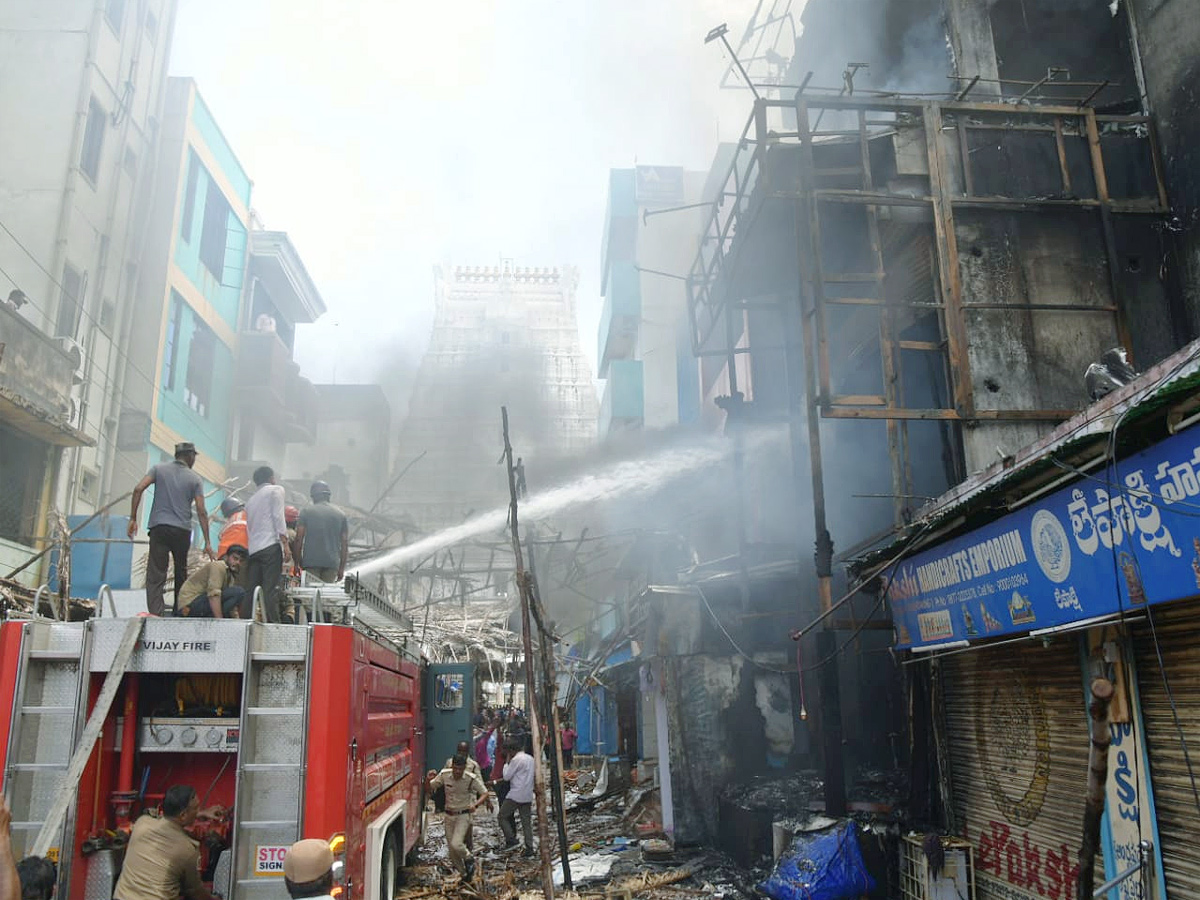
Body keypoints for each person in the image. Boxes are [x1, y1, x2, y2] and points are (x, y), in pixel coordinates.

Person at [128, 443, 212, 616]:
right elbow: (202, 511)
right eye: (194, 456)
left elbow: (138, 489)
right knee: (181, 572)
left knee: (156, 573)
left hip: (159, 528)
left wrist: (133, 518)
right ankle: (179, 613)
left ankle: (156, 613)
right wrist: (208, 542)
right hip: (182, 531)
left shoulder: (158, 469)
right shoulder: (195, 479)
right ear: (189, 456)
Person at [113, 785, 219, 900]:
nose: (198, 810)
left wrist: (199, 814)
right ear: (183, 815)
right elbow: (195, 892)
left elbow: (164, 817)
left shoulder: (142, 823)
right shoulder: (188, 850)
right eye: (196, 808)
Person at [425, 754, 490, 880]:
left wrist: (475, 805)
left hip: (463, 815)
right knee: (452, 851)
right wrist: (428, 780)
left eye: (460, 769)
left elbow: (485, 793)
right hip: (449, 815)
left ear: (465, 767)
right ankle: (464, 874)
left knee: (457, 843)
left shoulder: (470, 778)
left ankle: (469, 858)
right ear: (452, 766)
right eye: (455, 768)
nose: (458, 772)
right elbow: (430, 788)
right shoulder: (444, 775)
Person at [244, 466, 291, 623]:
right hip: (270, 546)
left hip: (254, 550)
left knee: (251, 590)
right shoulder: (275, 490)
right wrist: (285, 544)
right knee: (270, 589)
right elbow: (278, 517)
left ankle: (245, 622)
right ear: (271, 478)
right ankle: (273, 623)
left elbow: (249, 527)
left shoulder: (250, 501)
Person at [295, 482, 348, 584]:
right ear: (328, 495)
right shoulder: (341, 515)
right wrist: (341, 568)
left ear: (314, 496)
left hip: (311, 563)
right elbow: (344, 543)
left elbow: (298, 539)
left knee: (311, 595)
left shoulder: (306, 512)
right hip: (332, 564)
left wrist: (297, 563)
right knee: (325, 595)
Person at [175, 545, 249, 619]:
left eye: (240, 561)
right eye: (235, 558)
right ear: (226, 557)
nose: (237, 563)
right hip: (187, 608)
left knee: (236, 594)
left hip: (200, 605)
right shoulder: (218, 566)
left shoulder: (230, 575)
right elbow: (213, 594)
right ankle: (217, 620)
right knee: (238, 592)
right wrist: (219, 621)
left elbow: (231, 606)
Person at [495, 738, 535, 857]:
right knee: (526, 823)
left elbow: (506, 776)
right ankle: (529, 847)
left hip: (516, 794)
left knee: (502, 816)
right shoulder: (530, 758)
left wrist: (507, 762)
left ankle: (511, 839)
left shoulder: (516, 759)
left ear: (511, 751)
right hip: (527, 794)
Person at [216, 498, 247, 565]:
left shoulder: (233, 519)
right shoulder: (247, 516)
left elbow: (220, 536)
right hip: (243, 555)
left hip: (224, 555)